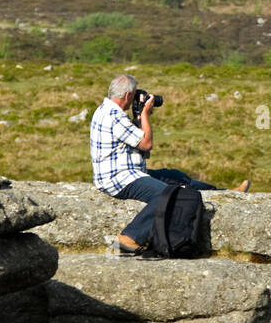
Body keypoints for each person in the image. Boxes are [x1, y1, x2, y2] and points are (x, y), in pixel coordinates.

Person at [90, 73, 249, 254]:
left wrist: (138, 116)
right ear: (127, 96)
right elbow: (146, 143)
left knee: (175, 176)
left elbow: (132, 139)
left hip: (124, 171)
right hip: (119, 178)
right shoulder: (115, 117)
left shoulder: (105, 110)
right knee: (166, 194)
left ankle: (225, 194)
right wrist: (144, 115)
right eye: (134, 95)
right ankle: (130, 236)